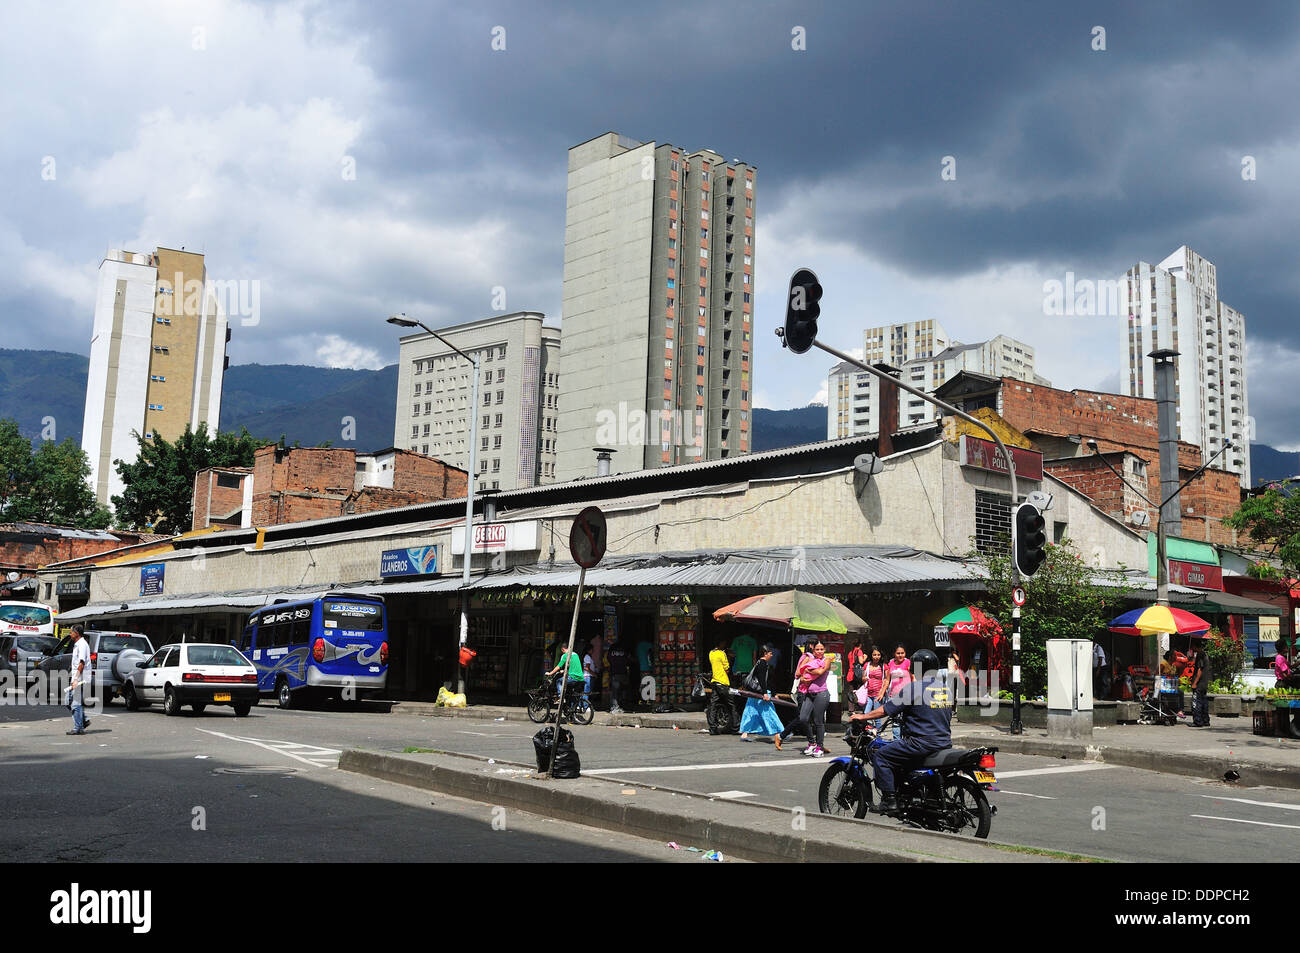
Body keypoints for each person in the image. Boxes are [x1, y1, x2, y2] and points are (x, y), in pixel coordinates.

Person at [849, 649, 952, 817]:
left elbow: (885, 710)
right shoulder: (944, 689)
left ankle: (890, 801)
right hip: (944, 743)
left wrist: (862, 716)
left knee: (881, 755)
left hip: (920, 743)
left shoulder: (914, 688)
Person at [738, 643, 783, 749]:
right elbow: (763, 680)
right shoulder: (763, 664)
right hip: (760, 693)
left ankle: (744, 734)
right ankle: (780, 733)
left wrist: (774, 693)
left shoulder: (760, 663)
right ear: (765, 653)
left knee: (750, 711)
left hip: (754, 692)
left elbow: (766, 681)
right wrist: (765, 693)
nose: (772, 655)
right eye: (770, 653)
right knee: (769, 712)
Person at [794, 639, 832, 757]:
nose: (819, 651)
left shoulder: (827, 660)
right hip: (809, 694)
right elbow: (798, 675)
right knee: (803, 718)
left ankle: (819, 746)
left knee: (818, 721)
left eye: (821, 649)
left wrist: (807, 669)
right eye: (817, 649)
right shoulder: (810, 660)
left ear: (824, 650)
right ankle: (812, 742)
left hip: (822, 694)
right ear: (813, 650)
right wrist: (802, 678)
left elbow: (820, 672)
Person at [66, 625, 91, 736]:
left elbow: (81, 663)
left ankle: (78, 728)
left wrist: (76, 679)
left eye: (71, 632)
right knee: (68, 701)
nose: (70, 633)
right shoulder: (78, 644)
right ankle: (83, 720)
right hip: (77, 677)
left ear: (76, 633)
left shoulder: (82, 645)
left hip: (81, 678)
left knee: (75, 703)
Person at [707, 637, 736, 732]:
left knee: (713, 704)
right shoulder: (722, 653)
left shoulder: (711, 653)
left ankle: (712, 728)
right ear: (721, 644)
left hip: (714, 681)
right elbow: (727, 669)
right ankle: (736, 727)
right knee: (731, 704)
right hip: (723, 682)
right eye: (724, 643)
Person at [884, 644, 912, 740]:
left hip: (907, 697)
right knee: (895, 722)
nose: (900, 655)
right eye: (898, 653)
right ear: (894, 654)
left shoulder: (908, 662)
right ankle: (897, 742)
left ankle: (906, 741)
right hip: (894, 697)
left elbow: (914, 678)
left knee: (906, 720)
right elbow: (887, 680)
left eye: (902, 653)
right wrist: (881, 692)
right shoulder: (891, 663)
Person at [1188, 639, 1210, 727]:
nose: (1191, 648)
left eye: (1192, 647)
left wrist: (1195, 683)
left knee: (1196, 702)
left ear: (1195, 646)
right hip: (1204, 683)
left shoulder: (1200, 655)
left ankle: (1198, 721)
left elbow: (1199, 670)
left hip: (1199, 684)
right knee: (1204, 702)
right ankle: (1205, 720)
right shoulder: (1205, 654)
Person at [843, 639, 867, 713]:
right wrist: (865, 657)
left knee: (851, 692)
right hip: (858, 674)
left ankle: (851, 709)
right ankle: (860, 708)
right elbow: (861, 661)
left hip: (851, 674)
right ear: (860, 644)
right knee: (860, 691)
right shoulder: (859, 651)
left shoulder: (850, 652)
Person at [607, 638, 629, 714]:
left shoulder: (611, 650)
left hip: (614, 672)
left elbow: (608, 659)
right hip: (623, 672)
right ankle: (619, 706)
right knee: (622, 691)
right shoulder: (624, 650)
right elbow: (628, 660)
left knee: (614, 692)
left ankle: (614, 707)